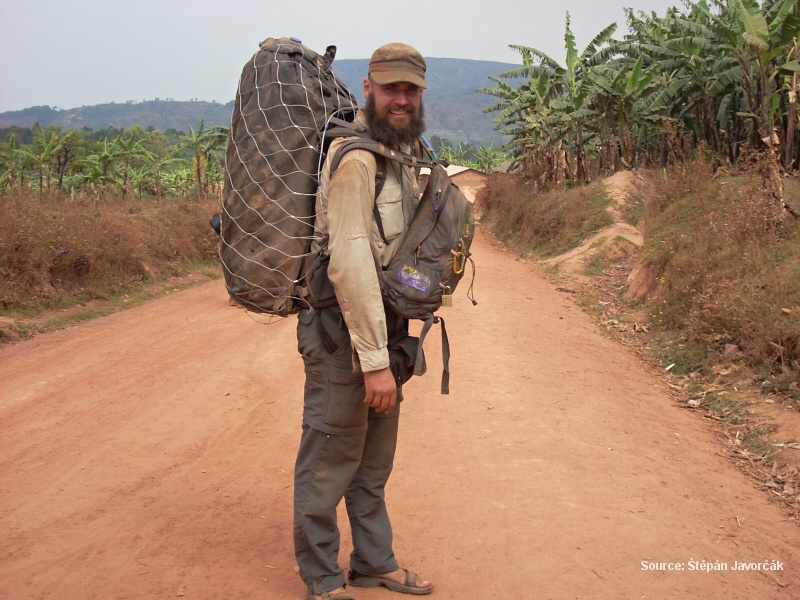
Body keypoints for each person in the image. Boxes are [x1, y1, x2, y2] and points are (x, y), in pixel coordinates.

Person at [293, 43, 435, 600]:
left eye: (410, 89)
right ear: (369, 86)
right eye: (390, 87)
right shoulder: (355, 160)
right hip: (342, 339)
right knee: (329, 460)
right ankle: (323, 580)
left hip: (386, 334)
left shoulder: (403, 153)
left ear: (421, 93)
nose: (400, 98)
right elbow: (350, 262)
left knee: (374, 464)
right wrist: (374, 362)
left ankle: (374, 561)